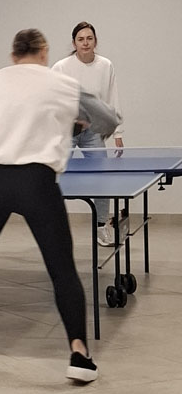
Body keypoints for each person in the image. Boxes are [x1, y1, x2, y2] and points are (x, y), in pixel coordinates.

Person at [0, 28, 118, 384]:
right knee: (61, 268)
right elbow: (108, 120)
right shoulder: (62, 83)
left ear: (13, 55)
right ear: (44, 52)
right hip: (37, 182)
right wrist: (80, 121)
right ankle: (79, 354)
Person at [51, 22, 125, 245]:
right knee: (54, 178)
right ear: (74, 43)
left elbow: (111, 99)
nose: (85, 43)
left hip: (93, 130)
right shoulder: (61, 67)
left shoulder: (105, 65)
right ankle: (53, 229)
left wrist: (118, 132)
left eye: (89, 38)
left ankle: (101, 226)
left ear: (95, 41)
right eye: (81, 39)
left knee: (101, 178)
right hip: (67, 130)